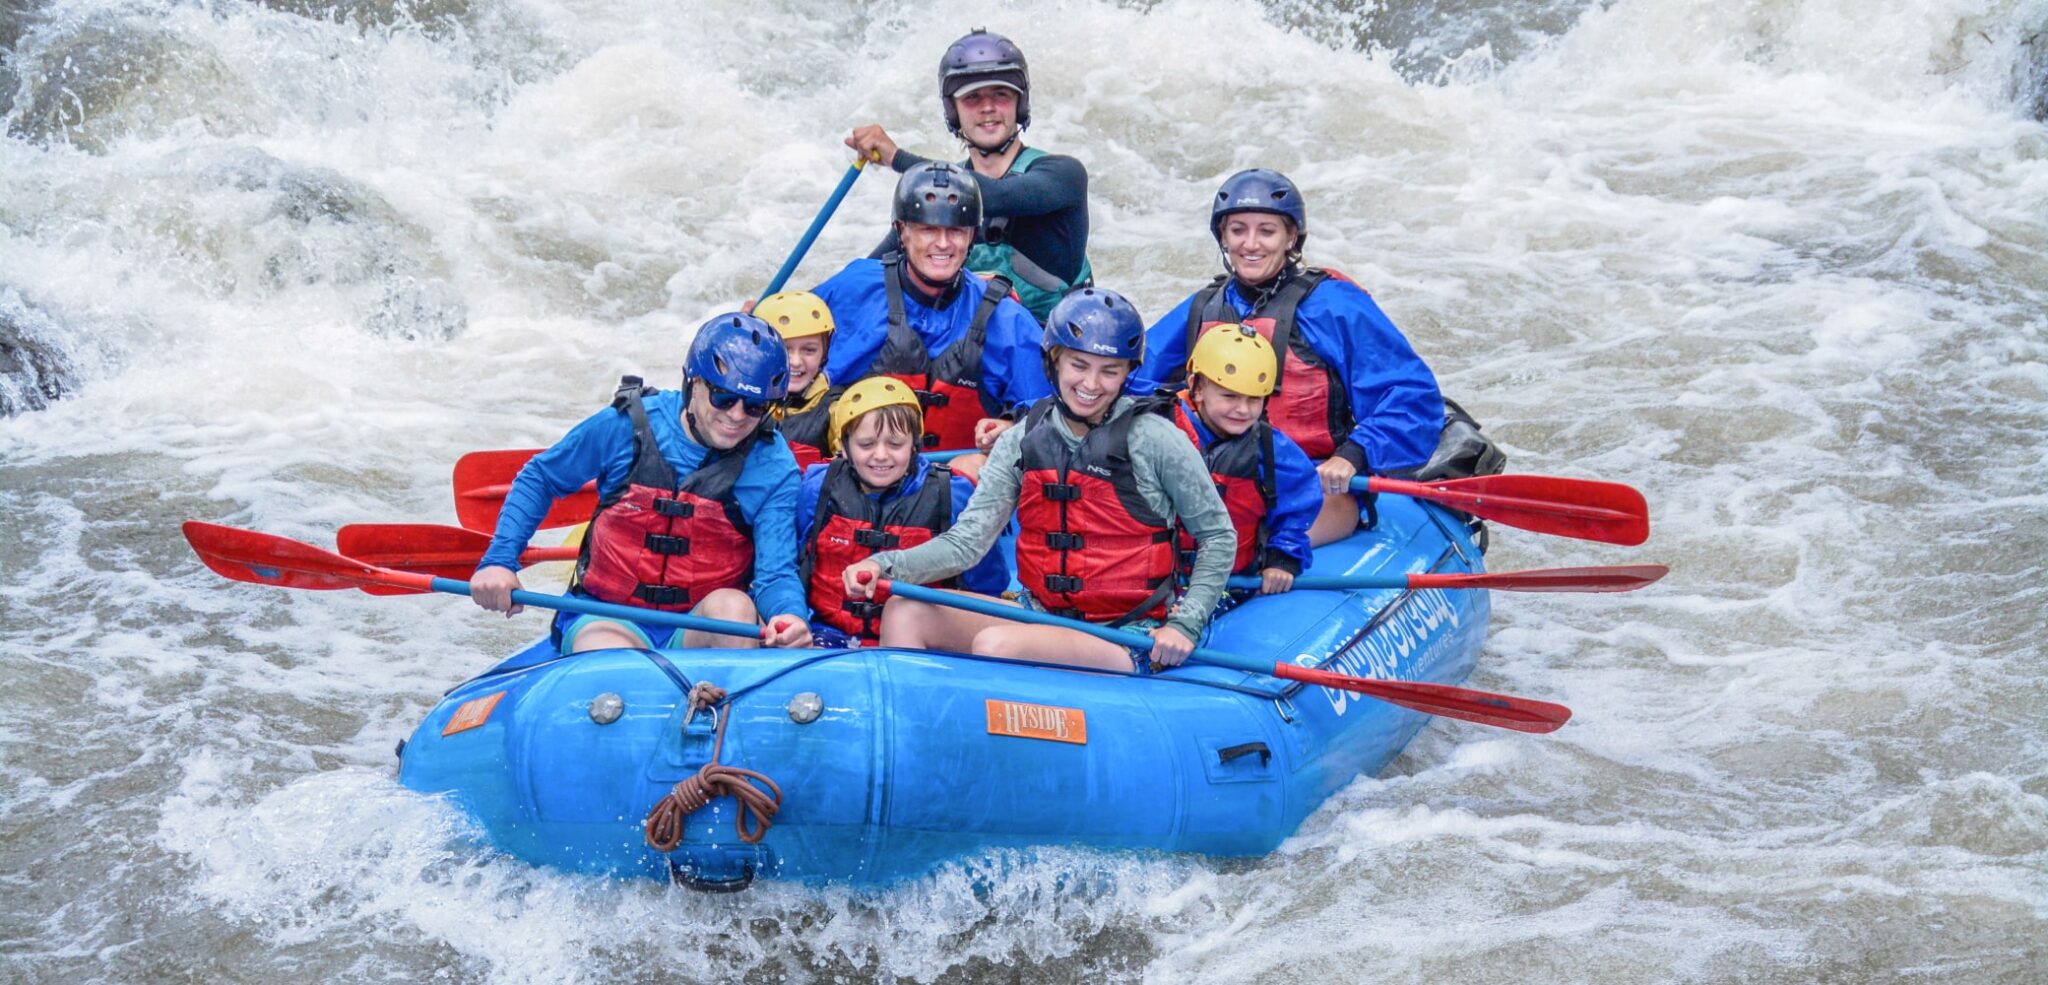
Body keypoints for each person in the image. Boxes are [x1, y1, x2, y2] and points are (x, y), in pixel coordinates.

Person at [841, 288, 1236, 674]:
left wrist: (1186, 624)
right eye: (1078, 366)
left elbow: (1218, 535)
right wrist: (885, 564)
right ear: (1055, 361)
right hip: (1041, 613)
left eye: (1109, 371)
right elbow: (966, 544)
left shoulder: (1156, 439)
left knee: (997, 646)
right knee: (905, 611)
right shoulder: (1022, 438)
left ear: (1127, 374)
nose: (1091, 384)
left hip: (1127, 634)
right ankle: (916, 730)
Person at [1133, 168, 1445, 545]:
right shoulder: (1203, 308)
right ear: (1223, 237)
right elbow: (1134, 380)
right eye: (1238, 230)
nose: (1251, 244)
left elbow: (1411, 397)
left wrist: (1354, 454)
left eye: (1266, 231)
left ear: (1290, 237)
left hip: (1312, 484)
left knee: (1251, 546)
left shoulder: (1334, 306)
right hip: (1218, 480)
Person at [470, 313, 813, 652]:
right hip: (608, 616)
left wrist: (789, 617)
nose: (737, 416)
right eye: (723, 398)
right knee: (608, 652)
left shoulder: (774, 466)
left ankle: (720, 697)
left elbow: (775, 573)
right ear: (693, 383)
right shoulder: (624, 426)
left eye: (754, 406)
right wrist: (500, 561)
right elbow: (541, 478)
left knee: (735, 610)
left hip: (700, 624)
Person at [846, 28, 1093, 322]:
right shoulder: (936, 198)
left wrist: (896, 158)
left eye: (1000, 94)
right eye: (972, 97)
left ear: (1019, 102)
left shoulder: (1064, 175)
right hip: (971, 352)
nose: (987, 107)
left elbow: (1000, 197)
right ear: (954, 111)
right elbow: (870, 274)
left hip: (1055, 352)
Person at [810, 161, 1048, 465]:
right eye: (928, 230)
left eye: (956, 231)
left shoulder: (1006, 319)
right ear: (902, 232)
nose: (943, 244)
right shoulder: (853, 290)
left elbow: (1047, 411)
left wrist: (1012, 427)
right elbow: (789, 353)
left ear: (971, 235)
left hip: (958, 486)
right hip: (858, 481)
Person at [796, 376, 1008, 646]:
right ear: (845, 446)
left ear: (914, 445)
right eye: (866, 444)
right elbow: (794, 565)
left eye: (895, 444)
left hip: (921, 640)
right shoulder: (817, 488)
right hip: (828, 634)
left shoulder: (952, 494)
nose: (881, 455)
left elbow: (986, 585)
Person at [1168, 323, 1320, 596]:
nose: (1242, 409)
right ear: (1197, 388)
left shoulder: (1272, 450)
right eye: (1230, 396)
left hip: (1233, 582)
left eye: (1254, 400)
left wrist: (1283, 558)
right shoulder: (1160, 429)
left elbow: (1299, 506)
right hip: (1164, 579)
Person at [758, 290, 837, 471]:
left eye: (809, 350)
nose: (795, 362)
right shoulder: (742, 404)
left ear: (824, 354)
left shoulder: (836, 409)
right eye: (785, 349)